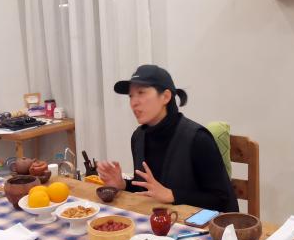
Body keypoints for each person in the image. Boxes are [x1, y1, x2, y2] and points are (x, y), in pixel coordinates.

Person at [97, 64, 237, 212]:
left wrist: (173, 195)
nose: (133, 102)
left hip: (194, 224)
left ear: (166, 96)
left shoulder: (198, 139)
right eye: (131, 96)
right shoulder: (138, 137)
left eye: (141, 92)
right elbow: (149, 190)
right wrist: (123, 184)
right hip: (155, 221)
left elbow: (222, 200)